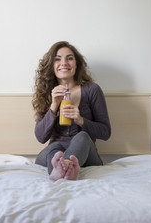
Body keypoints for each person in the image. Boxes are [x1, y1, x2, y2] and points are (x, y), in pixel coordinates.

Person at [32, 41, 111, 181]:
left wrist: (81, 120)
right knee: (55, 147)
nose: (64, 62)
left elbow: (105, 133)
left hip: (85, 154)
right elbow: (40, 137)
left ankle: (64, 167)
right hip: (55, 152)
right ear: (52, 66)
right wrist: (54, 106)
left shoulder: (92, 90)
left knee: (82, 137)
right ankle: (65, 170)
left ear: (77, 64)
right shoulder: (47, 93)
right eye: (57, 59)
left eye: (69, 58)